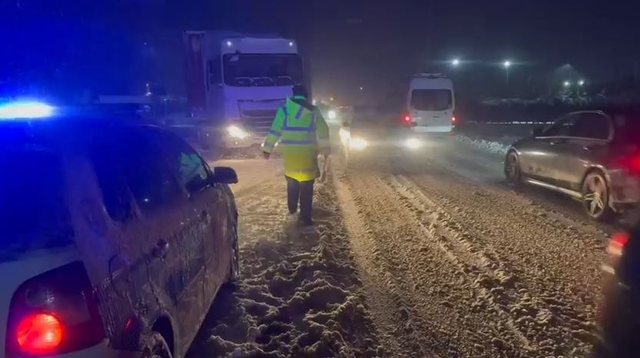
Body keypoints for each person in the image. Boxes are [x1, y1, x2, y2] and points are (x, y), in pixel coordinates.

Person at [262, 85, 330, 226]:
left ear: (293, 95)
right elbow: (323, 131)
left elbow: (275, 130)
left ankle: (292, 210)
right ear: (306, 96)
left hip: (291, 155)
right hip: (308, 155)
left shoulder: (284, 110)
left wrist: (267, 149)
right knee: (307, 186)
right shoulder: (314, 111)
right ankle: (305, 217)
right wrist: (325, 150)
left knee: (292, 182)